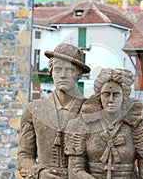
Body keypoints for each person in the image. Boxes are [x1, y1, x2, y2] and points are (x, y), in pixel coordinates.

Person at [65, 68, 143, 179]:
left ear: (124, 96)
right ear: (99, 96)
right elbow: (75, 171)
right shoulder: (81, 126)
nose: (110, 100)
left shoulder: (140, 128)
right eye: (106, 94)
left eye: (115, 94)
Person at [17, 43, 91, 179]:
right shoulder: (34, 110)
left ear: (79, 74)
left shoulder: (91, 110)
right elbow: (24, 155)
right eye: (57, 69)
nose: (62, 75)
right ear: (51, 72)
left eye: (69, 70)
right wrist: (39, 173)